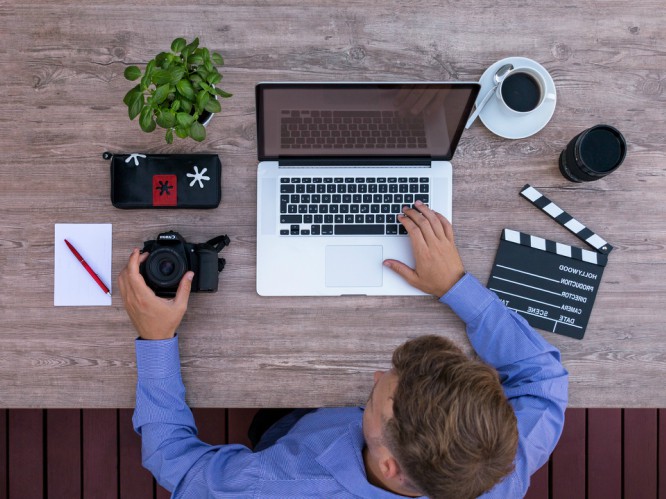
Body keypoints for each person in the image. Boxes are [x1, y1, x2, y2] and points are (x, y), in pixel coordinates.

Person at [119, 201, 568, 498]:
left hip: (287, 440)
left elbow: (175, 464)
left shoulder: (279, 486)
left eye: (377, 398)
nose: (372, 380)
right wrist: (455, 285)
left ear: (389, 466)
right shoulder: (495, 464)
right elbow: (543, 380)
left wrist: (156, 340)